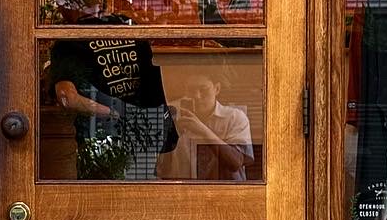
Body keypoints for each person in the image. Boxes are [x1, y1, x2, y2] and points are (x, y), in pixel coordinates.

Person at [48, 32, 177, 180]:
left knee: (101, 191)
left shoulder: (70, 41)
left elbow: (67, 98)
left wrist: (110, 113)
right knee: (139, 187)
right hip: (140, 136)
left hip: (98, 142)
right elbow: (154, 93)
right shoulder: (134, 33)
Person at [171, 74, 254, 181]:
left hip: (226, 190)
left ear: (217, 89)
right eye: (191, 90)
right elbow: (163, 169)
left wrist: (203, 131)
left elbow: (236, 162)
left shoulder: (234, 117)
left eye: (203, 90)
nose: (197, 96)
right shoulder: (176, 119)